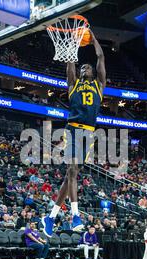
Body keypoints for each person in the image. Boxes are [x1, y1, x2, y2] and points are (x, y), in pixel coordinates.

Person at [42, 29, 106, 238]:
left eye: (86, 67)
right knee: (71, 171)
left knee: (71, 176)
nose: (83, 68)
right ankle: (75, 216)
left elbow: (100, 56)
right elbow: (70, 61)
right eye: (81, 67)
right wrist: (72, 41)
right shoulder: (73, 83)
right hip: (73, 128)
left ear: (93, 72)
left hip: (89, 133)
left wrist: (92, 36)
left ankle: (51, 216)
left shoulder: (99, 85)